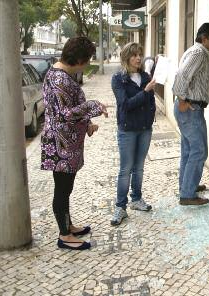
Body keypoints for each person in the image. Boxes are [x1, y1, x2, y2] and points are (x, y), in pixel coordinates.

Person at [40, 37, 108, 250]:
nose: (88, 63)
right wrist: (94, 106)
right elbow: (66, 114)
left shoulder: (62, 75)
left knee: (65, 188)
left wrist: (87, 123)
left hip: (67, 143)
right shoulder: (60, 79)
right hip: (60, 145)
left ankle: (68, 225)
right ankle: (64, 235)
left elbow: (71, 108)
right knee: (61, 189)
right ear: (78, 58)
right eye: (87, 59)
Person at [172, 23, 209, 206]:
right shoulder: (199, 53)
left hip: (191, 108)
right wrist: (182, 100)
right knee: (199, 151)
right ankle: (188, 194)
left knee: (189, 150)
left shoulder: (197, 51)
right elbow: (182, 75)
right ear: (204, 38)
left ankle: (187, 187)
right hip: (191, 109)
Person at [110, 43, 156, 226]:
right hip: (127, 130)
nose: (138, 58)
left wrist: (149, 116)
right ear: (126, 57)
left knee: (139, 167)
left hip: (145, 129)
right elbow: (125, 105)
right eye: (134, 55)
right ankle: (121, 207)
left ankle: (136, 200)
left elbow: (150, 103)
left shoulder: (146, 76)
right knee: (125, 169)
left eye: (140, 54)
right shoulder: (118, 79)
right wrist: (145, 92)